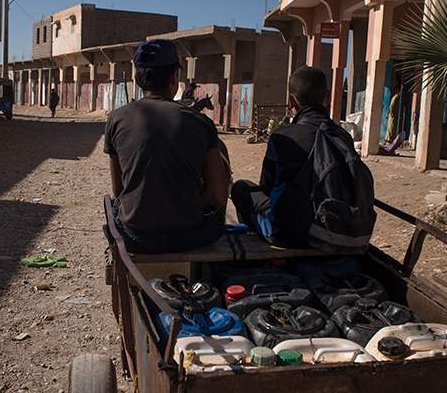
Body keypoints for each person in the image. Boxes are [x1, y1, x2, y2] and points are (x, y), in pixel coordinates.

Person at [104, 39, 230, 254]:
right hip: (191, 235)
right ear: (174, 78)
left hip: (136, 237)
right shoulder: (201, 123)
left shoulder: (116, 118)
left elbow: (119, 190)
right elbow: (217, 196)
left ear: (137, 78)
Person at [231, 65, 374, 249]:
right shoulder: (342, 136)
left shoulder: (282, 137)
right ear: (327, 97)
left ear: (292, 102)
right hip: (335, 228)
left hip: (288, 235)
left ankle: (259, 238)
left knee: (241, 188)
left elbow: (267, 187)